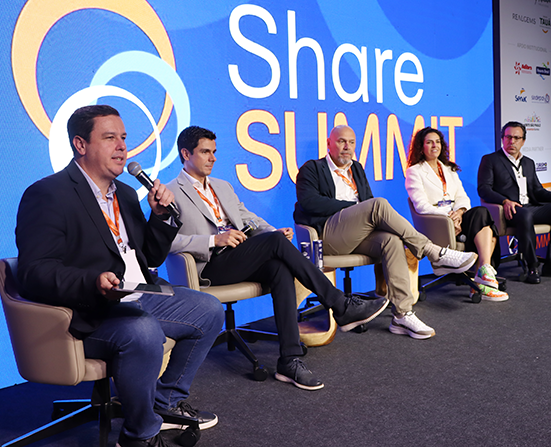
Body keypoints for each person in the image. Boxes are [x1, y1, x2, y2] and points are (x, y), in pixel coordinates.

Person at [15, 105, 224, 447]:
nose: (122, 147)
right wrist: (92, 282)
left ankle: (164, 401)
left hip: (139, 296)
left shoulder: (125, 194)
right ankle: (139, 434)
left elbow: (150, 257)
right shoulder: (48, 194)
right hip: (89, 310)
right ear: (80, 145)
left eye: (123, 138)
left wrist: (160, 217)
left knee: (209, 309)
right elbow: (34, 272)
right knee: (143, 331)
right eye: (110, 137)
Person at [166, 126, 389, 391]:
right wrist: (214, 240)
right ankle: (339, 304)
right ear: (186, 154)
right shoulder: (171, 192)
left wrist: (273, 231)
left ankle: (289, 360)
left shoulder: (222, 186)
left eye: (214, 152)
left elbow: (247, 217)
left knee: (279, 268)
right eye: (205, 152)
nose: (213, 158)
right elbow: (167, 242)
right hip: (210, 265)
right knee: (274, 244)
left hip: (240, 257)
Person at [294, 125, 478, 340]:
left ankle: (402, 314)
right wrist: (353, 208)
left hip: (356, 234)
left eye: (351, 142)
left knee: (391, 240)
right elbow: (309, 202)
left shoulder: (356, 168)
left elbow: (367, 203)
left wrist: (362, 212)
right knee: (378, 205)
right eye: (341, 141)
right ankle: (433, 251)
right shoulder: (312, 168)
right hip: (328, 235)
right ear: (328, 143)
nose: (347, 147)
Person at [405, 127, 508, 302]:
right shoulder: (414, 171)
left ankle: (483, 272)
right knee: (486, 227)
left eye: (437, 142)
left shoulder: (449, 169)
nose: (434, 146)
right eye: (429, 142)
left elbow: (462, 197)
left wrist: (459, 213)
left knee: (481, 214)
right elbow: (421, 206)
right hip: (437, 222)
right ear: (421, 147)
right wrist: (448, 217)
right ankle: (483, 279)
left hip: (456, 218)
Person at [477, 121, 551, 284]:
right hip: (508, 210)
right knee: (525, 215)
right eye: (508, 137)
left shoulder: (528, 162)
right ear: (502, 139)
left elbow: (538, 191)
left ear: (523, 141)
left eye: (517, 138)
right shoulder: (490, 160)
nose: (512, 141)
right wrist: (504, 201)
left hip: (530, 207)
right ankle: (532, 266)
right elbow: (484, 189)